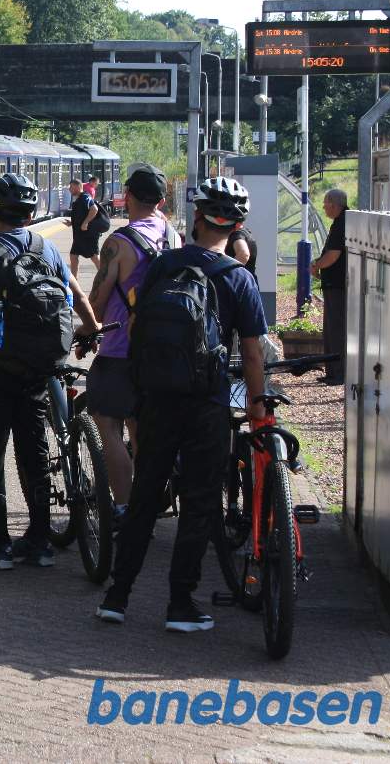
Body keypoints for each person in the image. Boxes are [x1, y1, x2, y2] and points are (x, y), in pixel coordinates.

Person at [96, 176, 268, 633]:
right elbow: (251, 354)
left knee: (145, 495)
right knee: (199, 502)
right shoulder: (238, 278)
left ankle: (116, 598)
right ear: (236, 226)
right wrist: (255, 407)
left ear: (195, 218)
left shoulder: (163, 265)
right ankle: (180, 604)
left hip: (157, 401)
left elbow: (134, 329)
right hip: (207, 404)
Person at [0, 174, 99, 569]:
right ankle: (38, 541)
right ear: (31, 213)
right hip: (39, 369)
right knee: (33, 453)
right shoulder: (47, 248)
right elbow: (80, 296)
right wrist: (92, 330)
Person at [85, 164, 173, 514]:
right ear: (162, 201)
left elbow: (98, 301)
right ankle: (149, 504)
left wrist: (86, 326)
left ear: (128, 197)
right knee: (144, 429)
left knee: (107, 424)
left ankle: (124, 508)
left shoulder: (118, 243)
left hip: (122, 349)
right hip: (165, 349)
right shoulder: (173, 234)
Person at [310, 189, 348, 385]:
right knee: (332, 328)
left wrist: (316, 265)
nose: (324, 207)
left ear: (334, 204)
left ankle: (338, 372)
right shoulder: (342, 222)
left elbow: (333, 255)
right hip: (336, 284)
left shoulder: (342, 224)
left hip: (337, 286)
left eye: (325, 204)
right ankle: (332, 370)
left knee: (336, 329)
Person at [65, 178, 102, 279]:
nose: (69, 190)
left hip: (88, 235)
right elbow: (81, 215)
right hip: (80, 235)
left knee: (94, 257)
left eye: (71, 187)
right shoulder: (79, 199)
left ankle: (106, 276)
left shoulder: (85, 197)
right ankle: (74, 280)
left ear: (77, 187)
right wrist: (72, 223)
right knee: (73, 256)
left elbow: (94, 209)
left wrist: (85, 223)